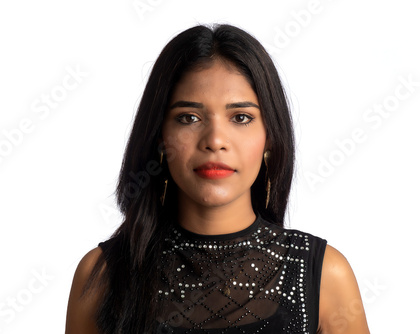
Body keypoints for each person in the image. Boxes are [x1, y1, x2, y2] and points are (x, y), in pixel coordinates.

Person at [65, 23, 370, 334]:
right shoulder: (102, 276)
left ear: (270, 140)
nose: (215, 140)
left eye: (240, 118)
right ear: (159, 138)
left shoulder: (324, 276)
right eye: (189, 118)